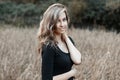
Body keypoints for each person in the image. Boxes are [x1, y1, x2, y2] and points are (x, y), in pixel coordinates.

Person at [37, 3, 81, 80]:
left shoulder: (69, 41)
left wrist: (66, 38)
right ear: (51, 23)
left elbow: (77, 60)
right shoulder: (49, 46)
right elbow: (46, 79)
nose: (62, 24)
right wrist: (71, 73)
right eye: (58, 21)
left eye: (64, 20)